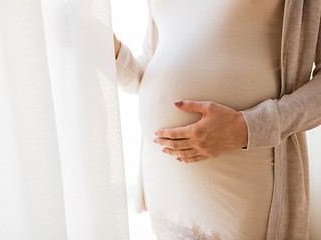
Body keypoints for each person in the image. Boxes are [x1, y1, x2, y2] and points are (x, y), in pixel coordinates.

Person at [113, 0, 321, 239]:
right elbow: (148, 70)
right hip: (165, 182)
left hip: (242, 186)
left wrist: (249, 127)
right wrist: (112, 51)